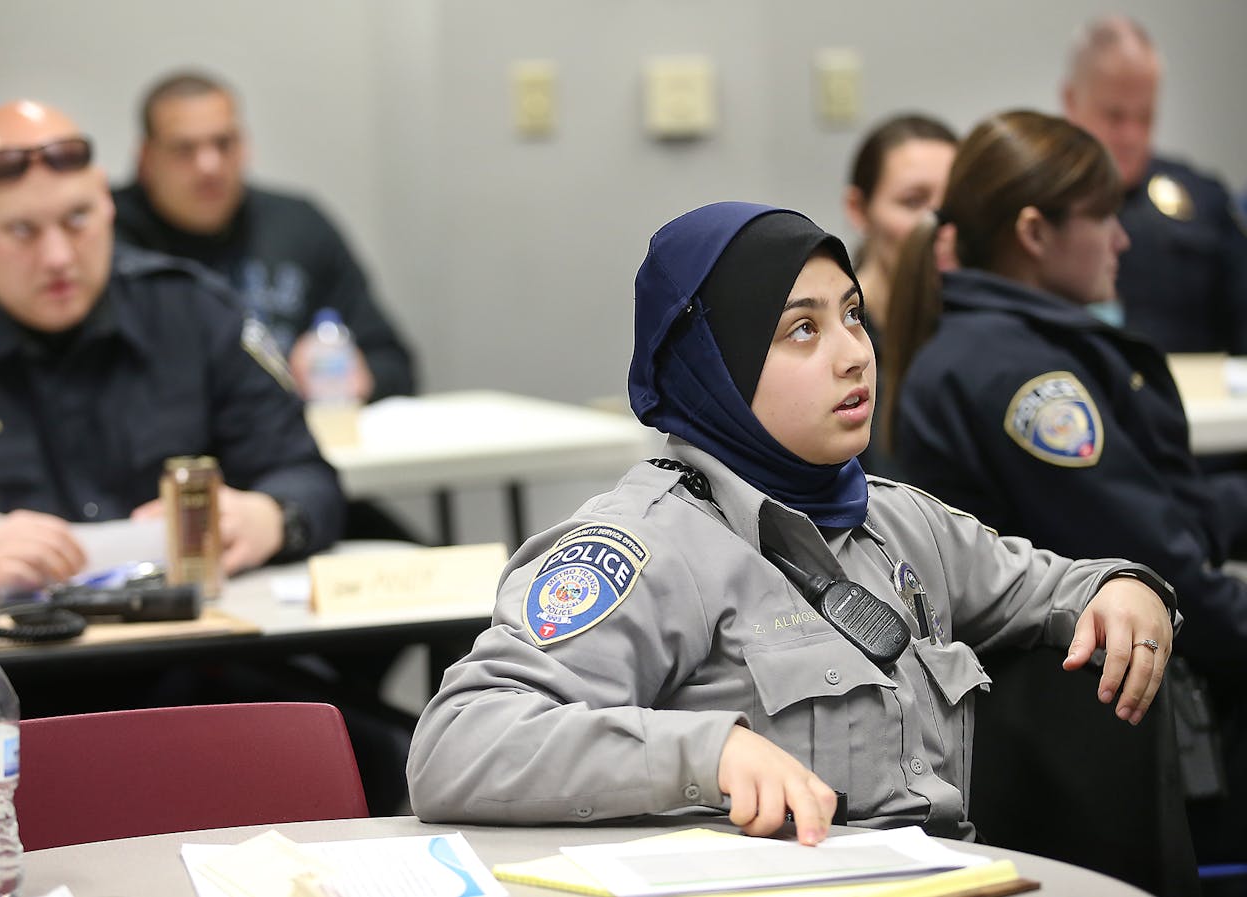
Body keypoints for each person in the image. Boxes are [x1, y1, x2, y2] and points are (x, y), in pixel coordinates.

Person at [407, 200, 1176, 845]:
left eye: (852, 315)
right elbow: (458, 744)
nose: (855, 355)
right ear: (717, 369)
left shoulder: (899, 522)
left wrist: (1125, 588)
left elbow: (1063, 586)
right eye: (801, 331)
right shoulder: (649, 547)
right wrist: (707, 752)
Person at [884, 108, 1242, 886]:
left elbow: (1152, 509)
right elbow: (1162, 567)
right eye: (1105, 217)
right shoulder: (1024, 378)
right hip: (1085, 726)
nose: (1123, 240)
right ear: (1035, 232)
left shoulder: (1007, 345)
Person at [0, 100, 342, 595]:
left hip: (180, 655)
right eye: (22, 231)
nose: (58, 257)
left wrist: (269, 517)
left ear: (108, 204)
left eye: (78, 220)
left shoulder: (194, 314)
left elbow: (306, 474)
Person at [112, 70, 415, 404]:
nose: (209, 165)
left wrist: (358, 377)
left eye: (224, 143)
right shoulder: (106, 240)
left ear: (245, 146)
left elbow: (394, 363)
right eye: (185, 149)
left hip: (286, 438)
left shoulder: (299, 225)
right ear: (146, 158)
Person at [1061, 14, 1247, 354]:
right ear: (1071, 101)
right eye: (1114, 116)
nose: (1131, 136)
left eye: (1145, 117)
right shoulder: (1042, 198)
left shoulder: (1203, 199)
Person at [841, 113, 957, 477]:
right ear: (859, 209)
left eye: (952, 201)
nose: (940, 224)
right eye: (913, 201)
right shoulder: (838, 344)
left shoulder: (973, 335)